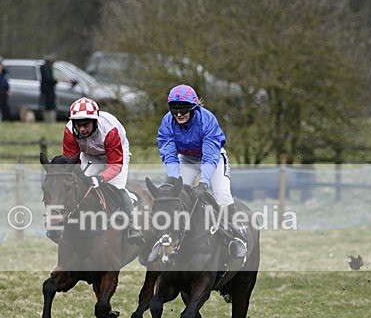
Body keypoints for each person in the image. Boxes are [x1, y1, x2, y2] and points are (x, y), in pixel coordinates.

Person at [157, 84, 247, 259]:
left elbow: (210, 156)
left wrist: (204, 182)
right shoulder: (167, 122)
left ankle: (237, 236)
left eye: (183, 109)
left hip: (213, 159)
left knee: (222, 194)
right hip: (187, 159)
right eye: (174, 109)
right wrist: (176, 182)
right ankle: (164, 239)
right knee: (174, 194)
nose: (178, 114)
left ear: (193, 108)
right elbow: (169, 155)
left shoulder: (207, 120)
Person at [62, 97, 143, 244]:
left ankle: (133, 226)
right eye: (78, 124)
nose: (81, 129)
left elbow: (115, 165)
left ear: (95, 121)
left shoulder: (109, 130)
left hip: (115, 156)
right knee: (80, 186)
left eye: (86, 124)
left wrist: (100, 178)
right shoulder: (69, 131)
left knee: (117, 188)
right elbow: (71, 163)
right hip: (89, 154)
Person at [40, 55, 57, 124]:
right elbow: (48, 79)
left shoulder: (43, 68)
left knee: (47, 106)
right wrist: (55, 81)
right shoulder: (47, 68)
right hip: (48, 90)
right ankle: (50, 121)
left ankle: (48, 120)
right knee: (50, 106)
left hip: (45, 90)